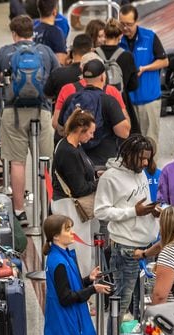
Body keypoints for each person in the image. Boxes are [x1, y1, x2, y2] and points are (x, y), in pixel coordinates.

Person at [0, 14, 59, 224]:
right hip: (42, 111)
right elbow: (57, 77)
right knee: (46, 162)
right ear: (31, 33)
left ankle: (20, 211)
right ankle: (49, 210)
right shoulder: (45, 52)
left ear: (14, 33)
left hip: (13, 112)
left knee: (18, 162)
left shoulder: (6, 52)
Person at [94, 134, 159, 327]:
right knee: (122, 302)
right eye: (142, 158)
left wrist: (152, 211)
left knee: (142, 302)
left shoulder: (139, 172)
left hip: (148, 246)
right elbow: (101, 211)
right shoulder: (110, 178)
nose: (146, 162)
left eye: (148, 158)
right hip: (126, 249)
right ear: (129, 154)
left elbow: (140, 203)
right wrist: (134, 212)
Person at [51, 109, 99, 275]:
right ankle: (83, 287)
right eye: (91, 132)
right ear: (80, 129)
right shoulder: (69, 152)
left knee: (83, 252)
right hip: (70, 208)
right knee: (80, 254)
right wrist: (99, 182)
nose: (92, 136)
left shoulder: (71, 145)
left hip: (70, 207)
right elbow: (79, 189)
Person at [56, 58, 130, 166]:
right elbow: (124, 132)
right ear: (102, 77)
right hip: (102, 163)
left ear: (84, 78)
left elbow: (60, 129)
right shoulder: (108, 101)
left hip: (77, 160)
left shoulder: (71, 98)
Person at [118, 4, 168, 148]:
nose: (125, 27)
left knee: (150, 142)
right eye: (122, 24)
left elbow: (164, 61)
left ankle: (150, 170)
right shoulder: (118, 40)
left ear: (137, 22)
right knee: (131, 143)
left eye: (129, 24)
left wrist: (145, 68)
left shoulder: (149, 36)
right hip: (128, 102)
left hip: (149, 100)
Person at [96, 18, 139, 133]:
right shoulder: (127, 56)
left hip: (98, 101)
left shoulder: (94, 54)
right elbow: (133, 85)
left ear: (104, 34)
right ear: (120, 35)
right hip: (121, 101)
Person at [44, 33, 91, 101]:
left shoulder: (58, 73)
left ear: (72, 52)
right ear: (90, 52)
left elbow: (47, 94)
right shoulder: (95, 74)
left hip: (63, 110)